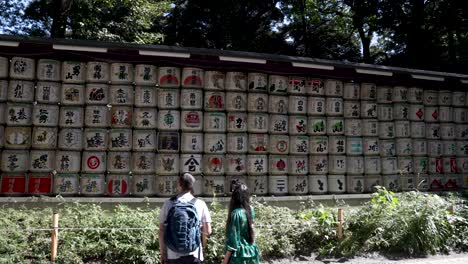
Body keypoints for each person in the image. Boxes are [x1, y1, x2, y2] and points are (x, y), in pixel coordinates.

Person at [159, 173, 212, 264]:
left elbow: (161, 230)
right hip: (194, 253)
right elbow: (208, 231)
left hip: (172, 253)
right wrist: (194, 227)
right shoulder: (200, 203)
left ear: (179, 184)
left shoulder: (168, 203)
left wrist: (162, 253)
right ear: (192, 186)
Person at [222, 181, 260, 264]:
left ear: (234, 197)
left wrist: (225, 260)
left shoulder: (236, 214)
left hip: (239, 255)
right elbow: (252, 229)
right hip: (251, 250)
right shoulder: (251, 210)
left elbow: (233, 240)